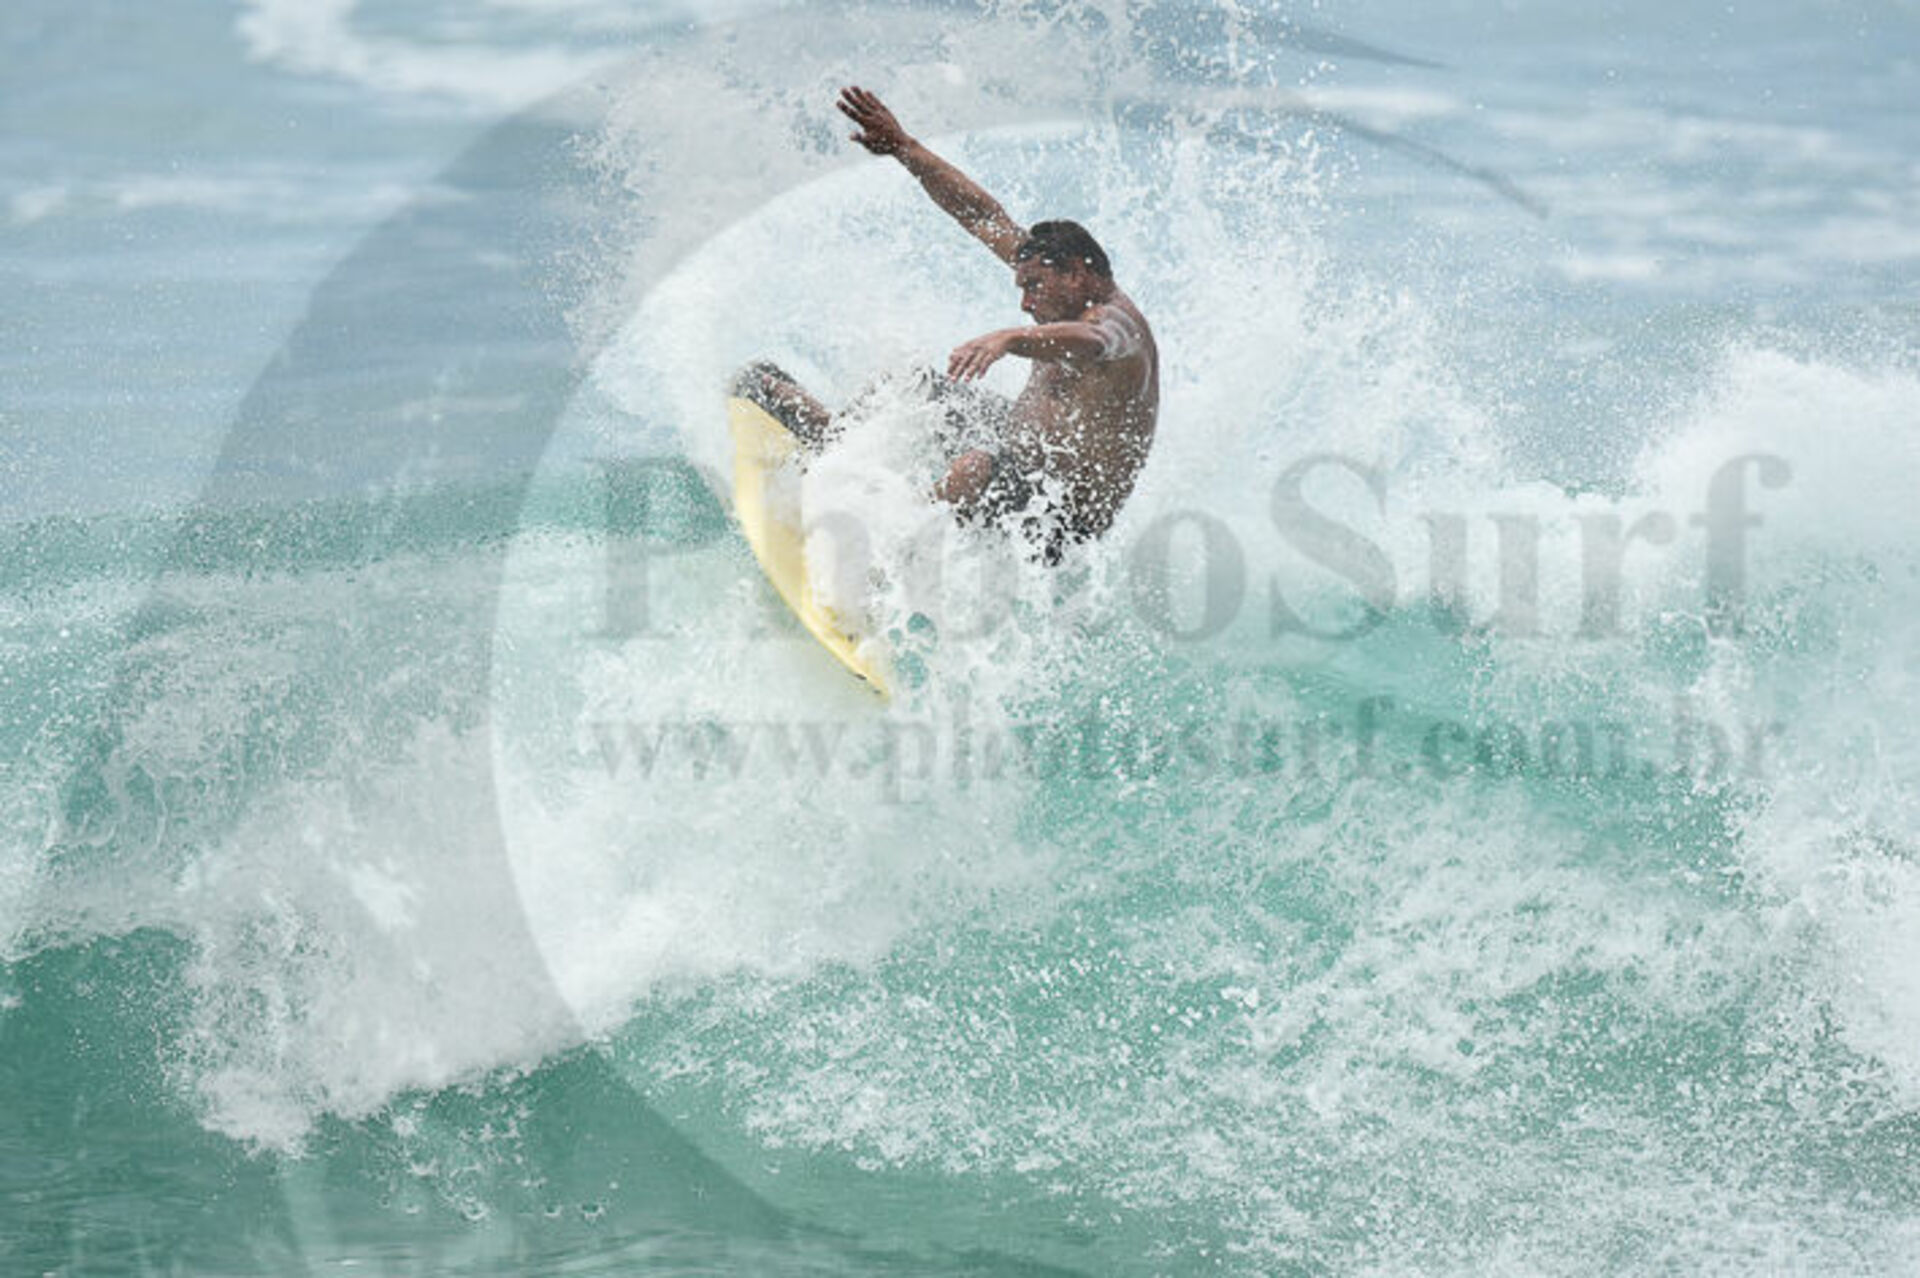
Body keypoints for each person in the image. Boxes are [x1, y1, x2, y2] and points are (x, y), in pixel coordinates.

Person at [736, 85, 1159, 564]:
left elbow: (1097, 342)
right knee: (911, 385)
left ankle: (885, 556)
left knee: (973, 467)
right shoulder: (1057, 281)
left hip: (1064, 521)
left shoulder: (1118, 324)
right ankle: (836, 447)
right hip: (1015, 447)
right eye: (1022, 287)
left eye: (1034, 286)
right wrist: (905, 148)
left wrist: (1010, 339)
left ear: (1077, 273)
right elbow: (983, 216)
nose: (1025, 302)